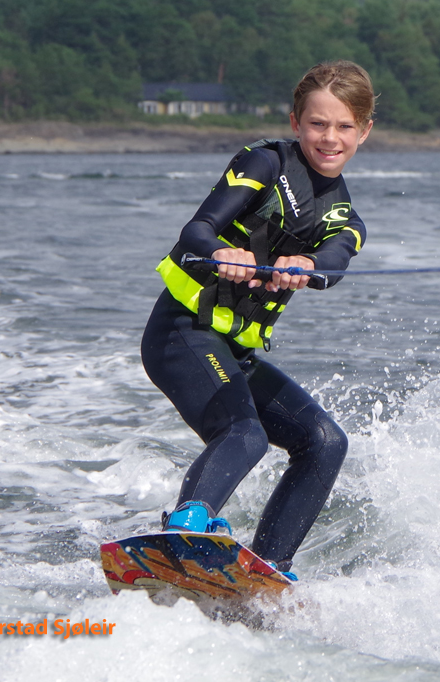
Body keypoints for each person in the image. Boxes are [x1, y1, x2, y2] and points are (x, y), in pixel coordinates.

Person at [140, 60, 375, 581]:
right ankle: (184, 528)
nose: (330, 137)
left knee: (324, 442)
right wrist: (222, 252)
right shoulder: (265, 163)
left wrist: (308, 265)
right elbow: (197, 229)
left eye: (344, 126)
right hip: (181, 332)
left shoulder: (346, 218)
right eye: (317, 123)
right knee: (244, 433)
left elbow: (335, 261)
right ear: (296, 122)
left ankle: (269, 569)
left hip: (234, 353)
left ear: (364, 131)